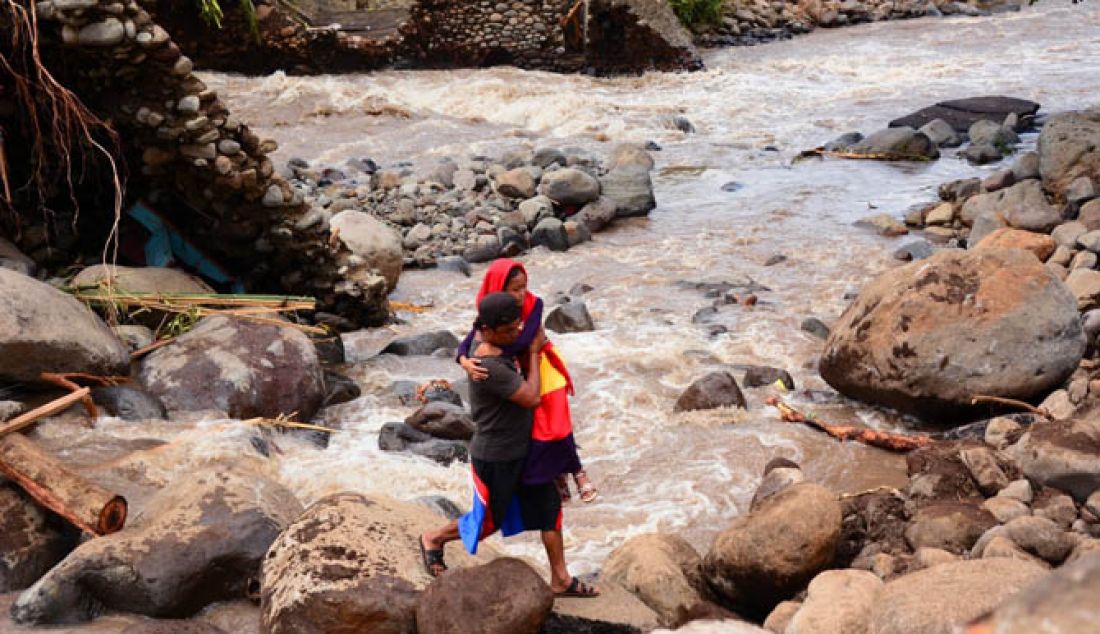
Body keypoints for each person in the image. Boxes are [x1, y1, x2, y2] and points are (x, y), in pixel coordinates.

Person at [419, 292, 599, 597]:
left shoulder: (495, 341)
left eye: (518, 327)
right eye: (509, 331)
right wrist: (532, 352)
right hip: (497, 456)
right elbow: (531, 397)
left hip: (524, 450)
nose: (516, 334)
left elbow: (534, 308)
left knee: (550, 510)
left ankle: (561, 579)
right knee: (489, 521)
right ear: (487, 330)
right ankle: (433, 538)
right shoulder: (488, 365)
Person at [456, 258, 598, 504]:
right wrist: (464, 361)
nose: (521, 295)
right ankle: (557, 476)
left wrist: (495, 353)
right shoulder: (490, 310)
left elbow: (526, 341)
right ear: (498, 287)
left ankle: (578, 472)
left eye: (524, 287)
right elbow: (470, 339)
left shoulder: (535, 305)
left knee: (557, 424)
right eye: (514, 289)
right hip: (519, 370)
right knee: (536, 428)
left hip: (542, 366)